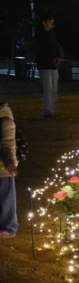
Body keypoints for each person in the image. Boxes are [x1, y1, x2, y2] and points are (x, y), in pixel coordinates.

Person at [33, 13, 60, 118]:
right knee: (48, 89)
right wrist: (50, 59)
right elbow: (39, 52)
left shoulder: (52, 34)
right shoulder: (39, 36)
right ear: (44, 23)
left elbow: (57, 47)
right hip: (45, 66)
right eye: (50, 21)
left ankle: (52, 110)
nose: (52, 23)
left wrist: (58, 57)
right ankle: (47, 111)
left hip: (53, 66)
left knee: (54, 89)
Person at [0, 97, 19, 238]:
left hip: (3, 168)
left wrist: (10, 164)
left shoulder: (5, 120)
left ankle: (9, 226)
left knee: (6, 197)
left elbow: (7, 144)